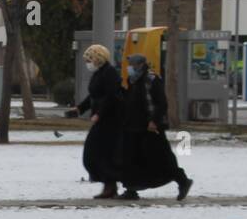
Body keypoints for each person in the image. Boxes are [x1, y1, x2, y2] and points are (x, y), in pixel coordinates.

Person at [118, 54, 192, 201]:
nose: (129, 68)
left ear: (139, 65)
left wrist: (154, 121)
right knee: (131, 158)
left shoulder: (152, 79)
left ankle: (182, 180)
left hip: (150, 127)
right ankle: (131, 189)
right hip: (133, 126)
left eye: (131, 65)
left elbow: (161, 103)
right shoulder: (132, 80)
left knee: (161, 157)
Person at [76, 44, 124, 199]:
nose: (88, 63)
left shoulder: (109, 73)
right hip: (102, 120)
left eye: (90, 60)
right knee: (96, 153)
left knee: (99, 153)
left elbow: (111, 96)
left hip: (110, 121)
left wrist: (99, 114)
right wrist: (79, 108)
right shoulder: (99, 73)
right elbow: (94, 95)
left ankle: (110, 186)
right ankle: (109, 185)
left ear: (98, 59)